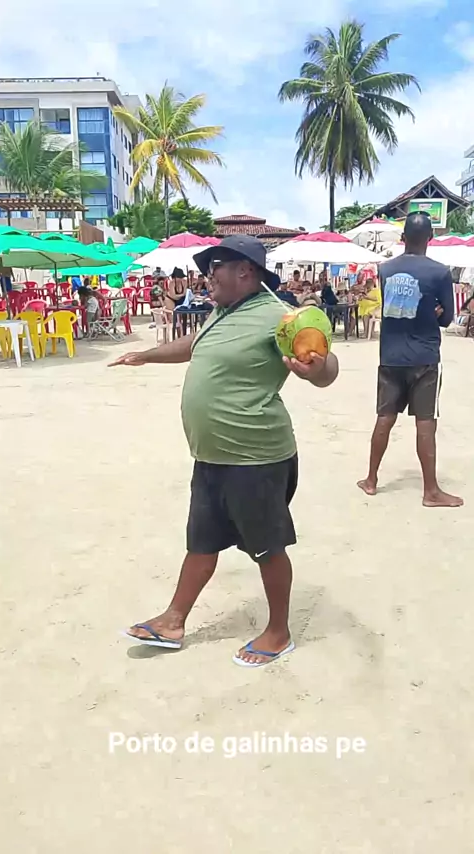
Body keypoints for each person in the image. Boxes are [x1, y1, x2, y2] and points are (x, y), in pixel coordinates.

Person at [110, 235, 339, 666]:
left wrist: (316, 368)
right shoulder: (222, 311)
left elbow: (326, 368)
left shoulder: (279, 317)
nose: (207, 275)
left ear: (245, 271)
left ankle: (278, 633)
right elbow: (194, 345)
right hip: (212, 456)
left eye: (215, 266)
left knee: (267, 547)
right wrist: (146, 355)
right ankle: (173, 620)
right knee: (203, 540)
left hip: (255, 457)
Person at [357, 211, 463, 508]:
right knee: (425, 422)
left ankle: (371, 480)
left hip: (390, 357)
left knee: (384, 418)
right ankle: (431, 491)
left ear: (403, 238)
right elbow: (447, 319)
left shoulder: (386, 269)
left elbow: (395, 307)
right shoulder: (440, 273)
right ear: (431, 237)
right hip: (424, 357)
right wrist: (434, 311)